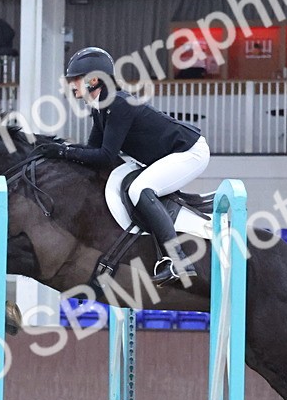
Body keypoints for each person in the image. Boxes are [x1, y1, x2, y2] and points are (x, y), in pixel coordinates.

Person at [39, 46, 210, 284]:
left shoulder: (117, 104)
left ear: (94, 80)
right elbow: (92, 151)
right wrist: (58, 152)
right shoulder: (101, 108)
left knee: (139, 189)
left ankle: (177, 260)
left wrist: (62, 151)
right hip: (171, 153)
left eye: (75, 80)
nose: (72, 86)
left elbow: (106, 156)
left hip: (190, 152)